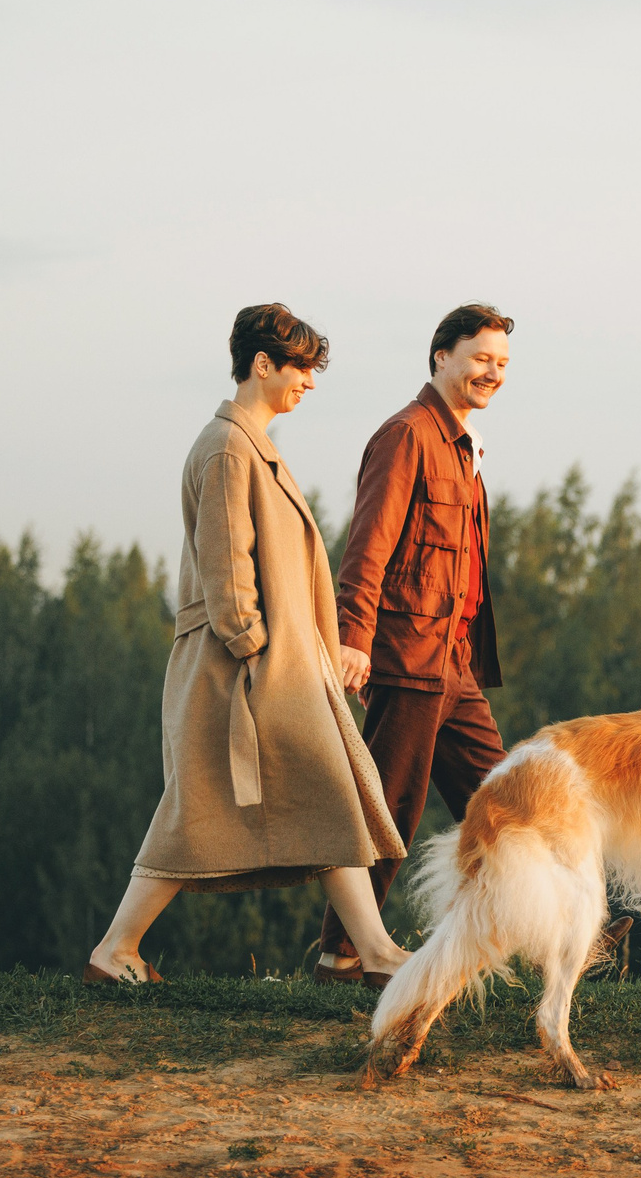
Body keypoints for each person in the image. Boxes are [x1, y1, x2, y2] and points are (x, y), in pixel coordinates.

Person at [88, 303, 413, 984]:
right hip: (247, 674)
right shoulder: (229, 449)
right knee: (198, 815)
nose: (310, 384)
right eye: (301, 369)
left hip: (269, 669)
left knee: (309, 798)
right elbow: (228, 570)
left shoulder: (246, 445)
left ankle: (370, 951)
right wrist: (256, 651)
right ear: (262, 365)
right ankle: (117, 950)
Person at [312, 302, 514, 984]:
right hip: (406, 658)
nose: (493, 372)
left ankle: (527, 935)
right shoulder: (407, 436)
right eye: (481, 358)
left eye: (503, 364)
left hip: (453, 665)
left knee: (506, 797)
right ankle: (343, 951)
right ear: (441, 358)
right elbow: (367, 549)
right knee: (389, 806)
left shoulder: (465, 447)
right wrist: (354, 640)